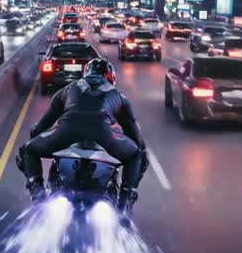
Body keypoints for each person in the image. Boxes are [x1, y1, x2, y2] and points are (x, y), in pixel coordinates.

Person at [16, 58, 146, 212]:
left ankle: (38, 195)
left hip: (65, 135)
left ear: (85, 73)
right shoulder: (119, 97)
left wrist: (35, 141)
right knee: (137, 155)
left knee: (28, 149)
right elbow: (134, 137)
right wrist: (138, 148)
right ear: (110, 77)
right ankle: (125, 205)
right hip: (104, 138)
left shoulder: (66, 90)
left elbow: (39, 128)